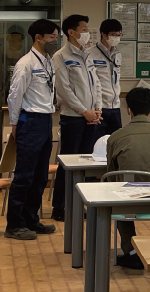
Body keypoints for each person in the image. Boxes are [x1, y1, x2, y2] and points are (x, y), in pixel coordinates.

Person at [106, 87, 150, 269]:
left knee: (117, 190)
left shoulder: (114, 138)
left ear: (128, 109)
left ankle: (129, 250)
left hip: (126, 203)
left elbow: (111, 174)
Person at [5, 19, 60, 240]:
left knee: (39, 176)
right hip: (30, 121)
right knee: (24, 175)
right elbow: (15, 95)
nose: (55, 41)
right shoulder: (25, 63)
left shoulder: (47, 61)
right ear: (38, 37)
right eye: (52, 37)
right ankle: (15, 224)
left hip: (46, 120)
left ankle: (31, 219)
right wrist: (15, 124)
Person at [51, 14, 102, 222]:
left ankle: (80, 204)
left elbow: (96, 83)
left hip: (91, 117)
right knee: (69, 164)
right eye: (83, 29)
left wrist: (97, 109)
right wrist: (84, 111)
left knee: (87, 165)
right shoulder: (60, 56)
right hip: (73, 118)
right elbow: (64, 90)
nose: (87, 33)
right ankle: (60, 207)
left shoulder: (87, 55)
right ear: (71, 32)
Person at [88, 18, 123, 136]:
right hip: (99, 107)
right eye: (113, 34)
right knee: (96, 143)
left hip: (115, 106)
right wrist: (97, 106)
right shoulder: (90, 54)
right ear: (103, 34)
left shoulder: (117, 54)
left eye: (119, 35)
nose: (116, 38)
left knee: (115, 143)